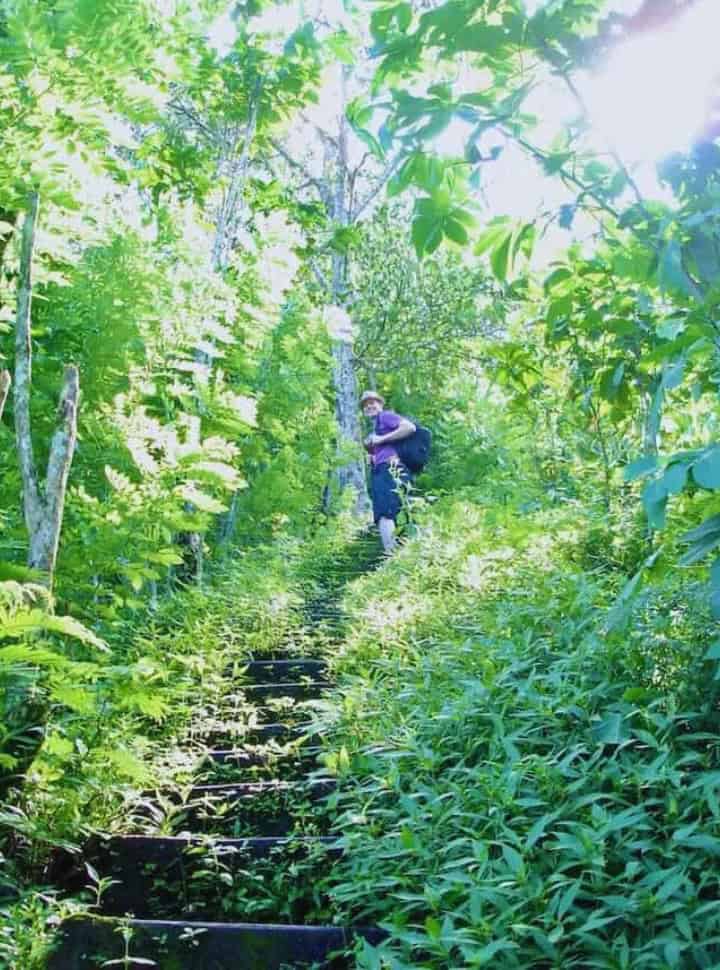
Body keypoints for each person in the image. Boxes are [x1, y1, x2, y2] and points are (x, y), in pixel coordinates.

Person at [360, 390, 416, 554]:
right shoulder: (376, 426)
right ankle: (402, 551)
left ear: (380, 404)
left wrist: (381, 440)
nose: (369, 406)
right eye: (365, 405)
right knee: (393, 511)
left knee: (385, 513)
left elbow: (409, 427)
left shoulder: (385, 417)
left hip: (390, 468)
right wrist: (373, 456)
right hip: (383, 468)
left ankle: (391, 555)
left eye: (373, 402)